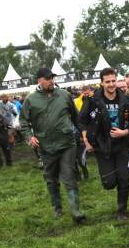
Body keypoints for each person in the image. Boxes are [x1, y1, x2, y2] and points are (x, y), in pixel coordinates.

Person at [20, 68, 86, 222]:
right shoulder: (31, 100)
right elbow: (23, 122)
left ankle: (75, 210)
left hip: (67, 143)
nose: (51, 81)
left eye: (52, 78)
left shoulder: (64, 95)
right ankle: (57, 207)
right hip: (46, 146)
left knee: (69, 177)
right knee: (51, 179)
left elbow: (76, 116)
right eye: (48, 78)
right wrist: (29, 137)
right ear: (39, 81)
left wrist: (82, 133)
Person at [79, 68, 129, 221]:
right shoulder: (92, 101)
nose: (111, 84)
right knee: (109, 183)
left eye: (113, 81)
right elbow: (82, 121)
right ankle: (113, 178)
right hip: (101, 145)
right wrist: (86, 141)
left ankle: (122, 211)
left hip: (122, 144)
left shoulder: (127, 100)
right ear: (101, 83)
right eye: (108, 82)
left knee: (124, 179)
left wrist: (124, 132)